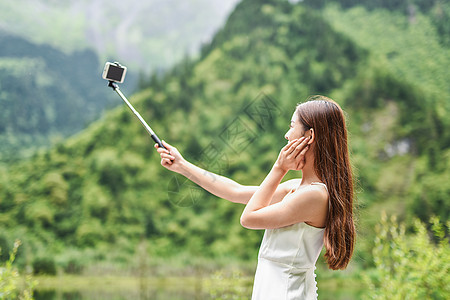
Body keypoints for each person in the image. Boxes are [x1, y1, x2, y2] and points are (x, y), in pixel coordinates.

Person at [155, 95, 355, 299]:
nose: (287, 135)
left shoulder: (315, 195)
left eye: (292, 126)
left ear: (309, 136)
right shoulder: (298, 188)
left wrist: (279, 168)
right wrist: (182, 165)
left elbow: (248, 218)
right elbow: (235, 191)